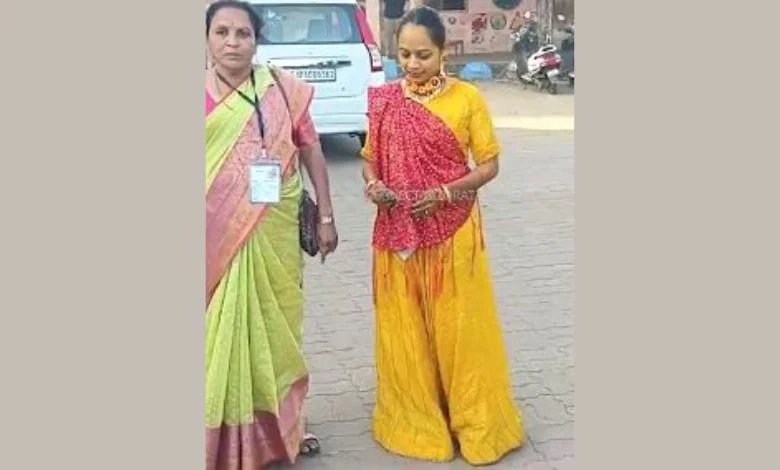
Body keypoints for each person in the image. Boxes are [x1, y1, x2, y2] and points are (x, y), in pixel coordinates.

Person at [360, 6, 526, 466]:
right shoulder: (385, 100)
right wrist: (373, 184)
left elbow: (489, 164)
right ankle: (417, 411)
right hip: (398, 231)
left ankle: (472, 416)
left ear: (444, 52)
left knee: (458, 326)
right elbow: (368, 156)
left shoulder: (467, 98)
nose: (412, 64)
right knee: (406, 324)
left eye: (423, 55)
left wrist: (446, 191)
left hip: (453, 230)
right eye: (405, 54)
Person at [205, 1, 338, 468]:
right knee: (213, 335)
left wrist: (325, 215)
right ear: (207, 39)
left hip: (275, 234)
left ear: (256, 40)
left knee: (276, 332)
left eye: (242, 33)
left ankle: (282, 429)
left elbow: (312, 149)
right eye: (222, 32)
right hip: (212, 241)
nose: (232, 43)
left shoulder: (282, 89)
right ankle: (218, 438)